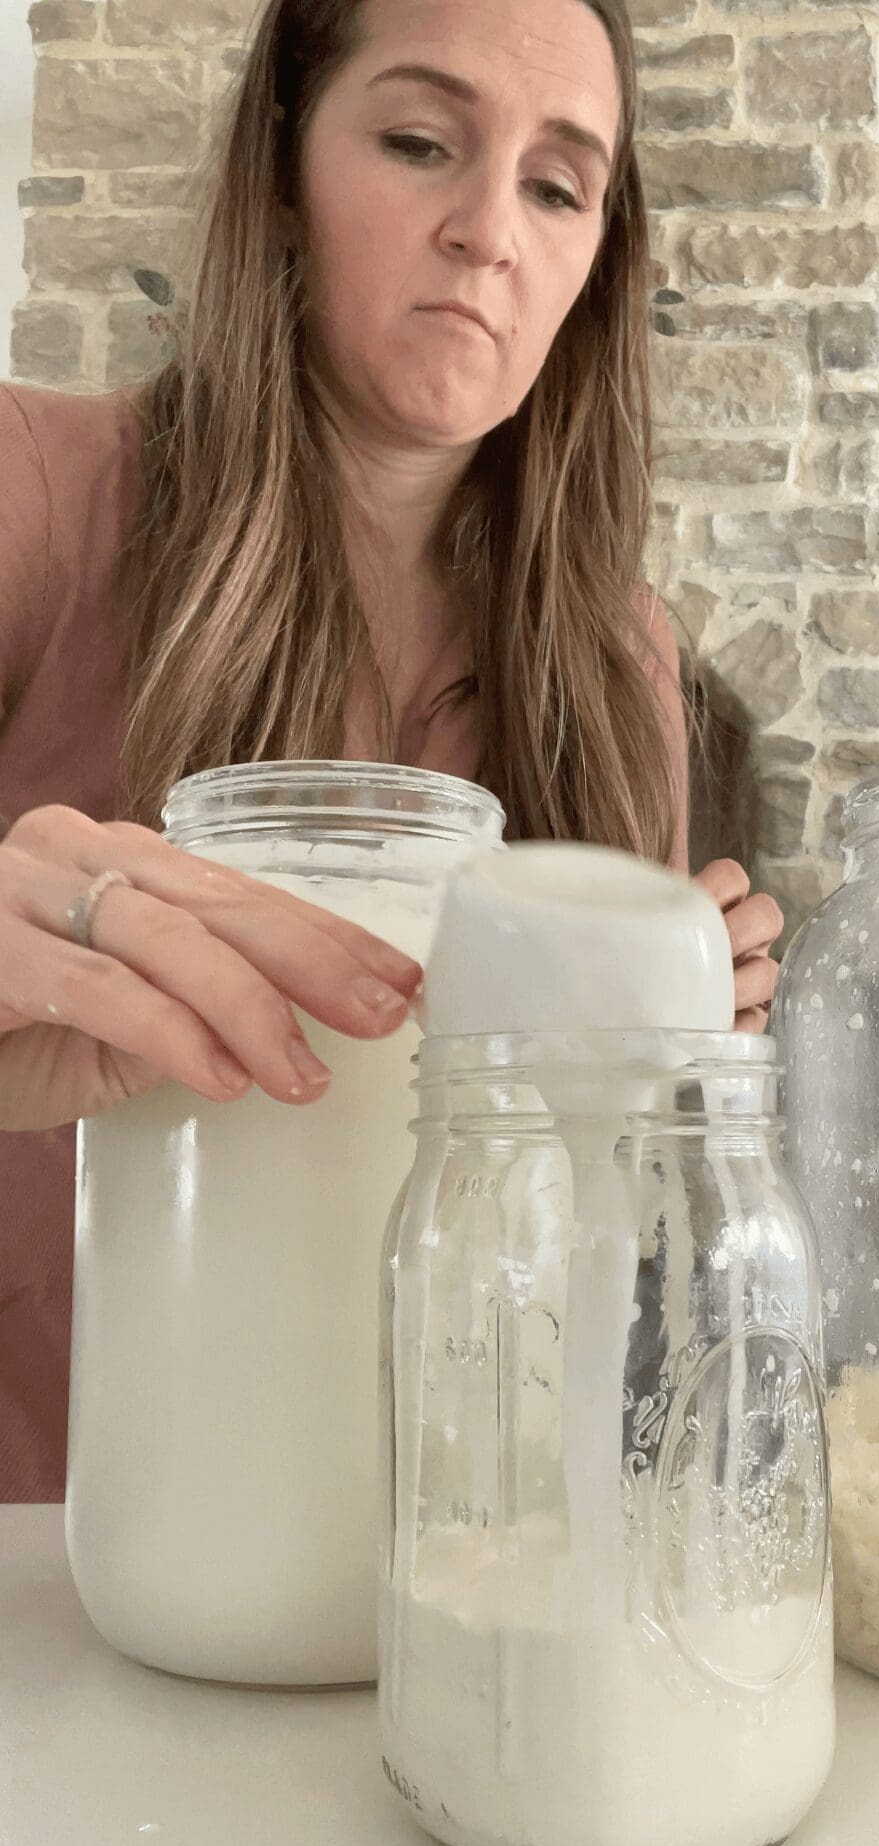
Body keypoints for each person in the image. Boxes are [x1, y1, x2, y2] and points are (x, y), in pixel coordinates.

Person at [0, 0, 784, 1501]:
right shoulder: (35, 492)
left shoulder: (621, 664)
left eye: (556, 187)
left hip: (456, 1543)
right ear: (284, 176)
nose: (488, 231)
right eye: (421, 143)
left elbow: (589, 1227)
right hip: (45, 1544)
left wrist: (672, 1085)